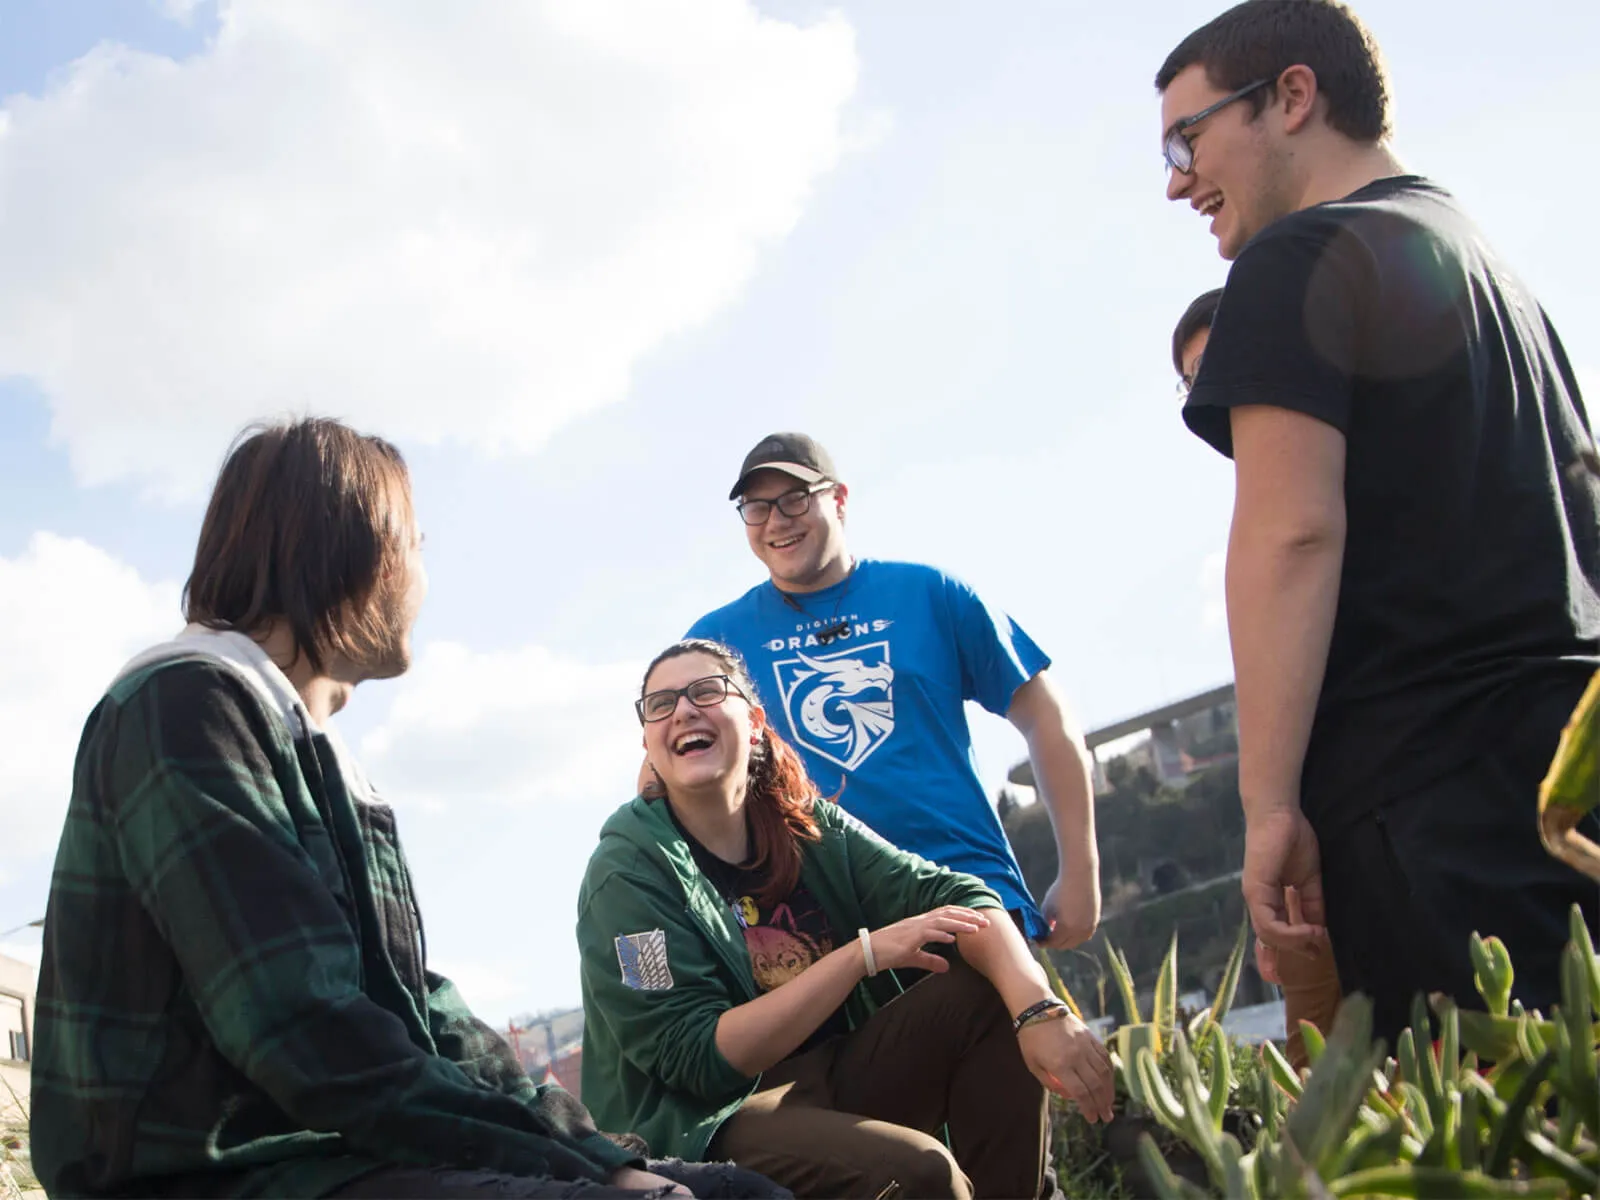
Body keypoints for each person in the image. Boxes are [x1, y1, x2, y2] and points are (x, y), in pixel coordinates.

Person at [29, 419, 781, 1199]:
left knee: (742, 1196)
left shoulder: (315, 755)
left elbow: (424, 1015)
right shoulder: (186, 706)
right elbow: (306, 1032)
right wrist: (591, 1169)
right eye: (414, 543)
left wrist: (596, 1149)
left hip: (329, 1155)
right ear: (348, 550)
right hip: (205, 1176)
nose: (423, 577)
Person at [1156, 0, 1600, 1046]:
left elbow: (1290, 534)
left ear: (1293, 97)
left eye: (1190, 136)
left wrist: (1267, 809)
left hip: (1425, 807)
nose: (1176, 179)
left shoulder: (1293, 259)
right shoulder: (1479, 258)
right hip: (1561, 776)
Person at [582, 639, 1115, 1200]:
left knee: (985, 992)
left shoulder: (805, 825)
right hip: (707, 1124)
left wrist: (1039, 1010)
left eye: (707, 691)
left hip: (832, 1077)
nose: (684, 710)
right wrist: (860, 957)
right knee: (920, 1172)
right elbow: (694, 1058)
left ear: (756, 723)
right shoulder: (626, 876)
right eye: (660, 704)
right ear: (648, 742)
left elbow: (956, 894)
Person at [660, 432, 1099, 952]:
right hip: (819, 927)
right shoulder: (717, 643)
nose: (777, 520)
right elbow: (666, 775)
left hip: (966, 899)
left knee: (1024, 1029)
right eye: (757, 508)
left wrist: (1081, 870)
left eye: (796, 498)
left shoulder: (932, 593)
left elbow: (1044, 715)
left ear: (839, 500)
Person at [1172, 292, 1344, 1068]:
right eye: (1194, 380)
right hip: (1312, 864)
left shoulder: (1338, 496)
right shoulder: (1262, 516)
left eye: (1219, 364)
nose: (1212, 392)